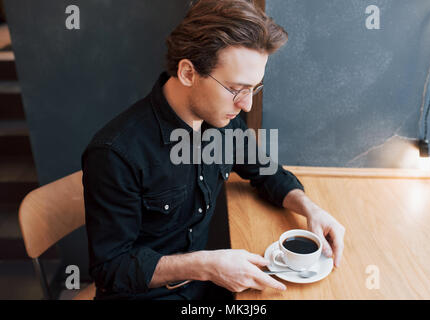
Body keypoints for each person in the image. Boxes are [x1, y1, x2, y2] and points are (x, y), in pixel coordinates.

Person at [81, 0, 345, 300]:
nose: (246, 104)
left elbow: (266, 171)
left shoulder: (222, 121)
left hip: (205, 287)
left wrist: (311, 209)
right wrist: (206, 265)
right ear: (188, 73)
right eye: (236, 89)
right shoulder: (115, 154)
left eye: (253, 89)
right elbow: (111, 269)